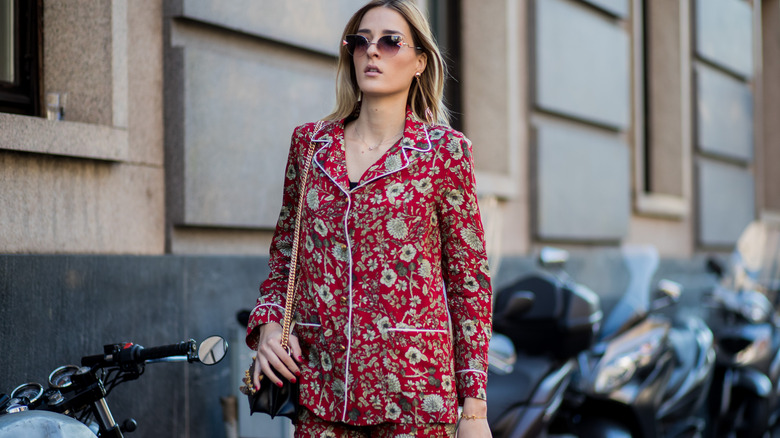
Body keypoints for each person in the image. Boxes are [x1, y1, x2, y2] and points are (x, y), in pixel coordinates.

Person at [246, 1, 492, 436]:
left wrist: (473, 411)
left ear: (419, 61)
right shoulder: (310, 145)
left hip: (414, 395)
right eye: (360, 41)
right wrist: (268, 325)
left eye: (389, 41)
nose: (371, 51)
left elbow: (468, 283)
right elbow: (286, 255)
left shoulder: (444, 152)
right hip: (323, 387)